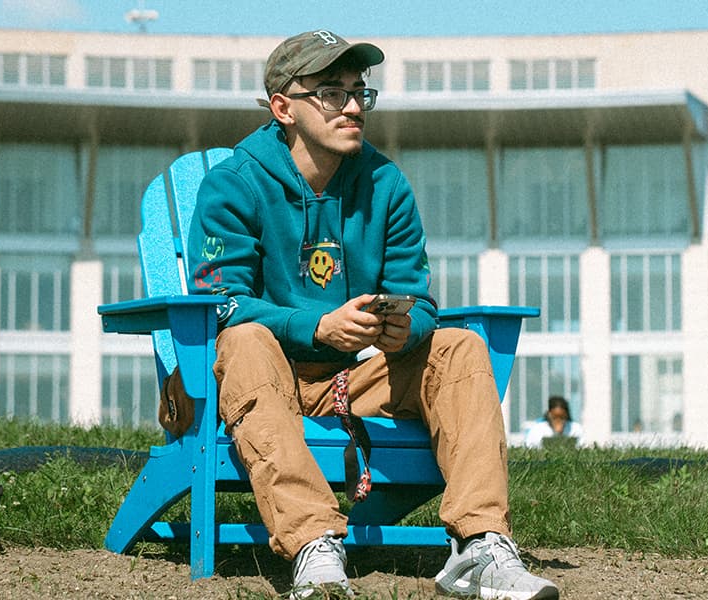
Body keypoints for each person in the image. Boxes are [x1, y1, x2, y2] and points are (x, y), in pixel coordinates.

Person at [178, 29, 560, 600]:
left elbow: (418, 295)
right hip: (258, 378)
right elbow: (219, 301)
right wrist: (314, 326)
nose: (354, 106)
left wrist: (409, 327)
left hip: (350, 379)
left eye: (360, 91)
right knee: (245, 340)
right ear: (283, 107)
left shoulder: (386, 185)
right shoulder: (232, 186)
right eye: (332, 92)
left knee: (460, 347)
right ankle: (314, 547)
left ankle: (482, 547)